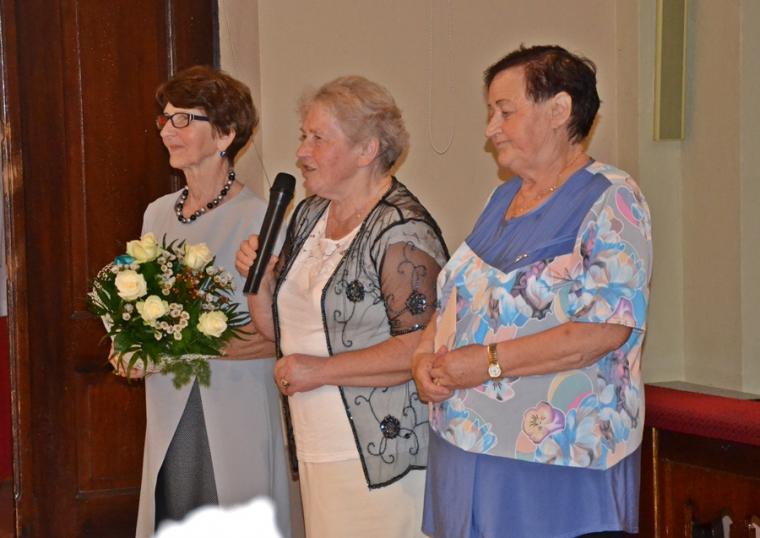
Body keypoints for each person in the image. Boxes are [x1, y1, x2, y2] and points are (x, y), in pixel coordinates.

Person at [412, 45, 652, 538]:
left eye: (505, 112)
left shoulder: (612, 198)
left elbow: (603, 330)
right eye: (490, 113)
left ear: (559, 110)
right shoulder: (502, 197)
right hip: (466, 449)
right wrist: (422, 355)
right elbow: (458, 298)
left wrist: (488, 362)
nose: (490, 129)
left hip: (554, 462)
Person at [235, 75, 448, 537]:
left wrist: (321, 371)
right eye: (304, 136)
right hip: (317, 445)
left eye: (318, 138)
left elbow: (422, 347)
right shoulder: (309, 213)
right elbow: (279, 332)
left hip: (385, 456)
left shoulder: (402, 231)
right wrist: (260, 283)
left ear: (367, 150)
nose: (301, 152)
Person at [117, 66, 291, 537]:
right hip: (169, 404)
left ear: (225, 134)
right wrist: (128, 343)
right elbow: (142, 307)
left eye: (183, 119)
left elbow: (279, 333)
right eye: (165, 119)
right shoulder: (157, 214)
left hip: (236, 404)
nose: (167, 131)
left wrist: (196, 344)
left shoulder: (261, 218)